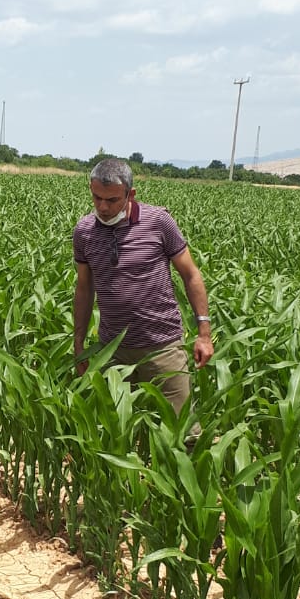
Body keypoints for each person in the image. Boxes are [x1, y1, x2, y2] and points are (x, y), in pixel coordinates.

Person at [73, 157, 213, 413]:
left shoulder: (158, 222)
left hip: (163, 348)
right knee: (116, 430)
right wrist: (79, 343)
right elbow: (84, 288)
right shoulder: (84, 231)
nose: (102, 207)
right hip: (112, 350)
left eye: (112, 200)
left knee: (182, 434)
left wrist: (204, 334)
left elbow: (191, 275)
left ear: (131, 194)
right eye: (96, 198)